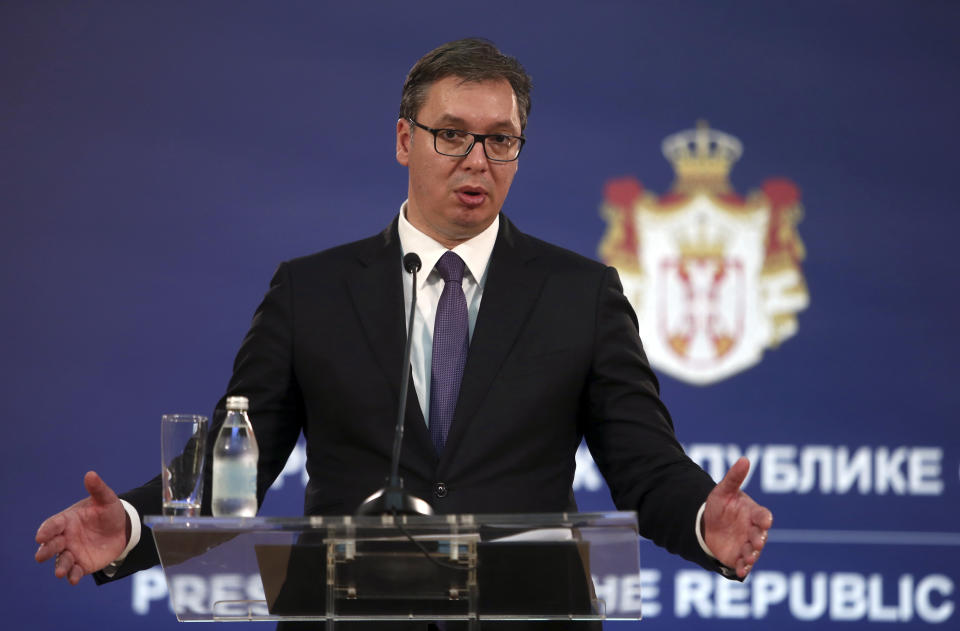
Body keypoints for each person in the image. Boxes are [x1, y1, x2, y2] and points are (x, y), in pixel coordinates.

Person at [36, 37, 772, 621]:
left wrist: (706, 516)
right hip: (352, 614)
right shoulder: (312, 290)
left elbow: (643, 463)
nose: (477, 160)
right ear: (402, 139)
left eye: (501, 139)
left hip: (527, 616)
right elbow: (238, 461)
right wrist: (132, 526)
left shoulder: (581, 293)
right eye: (451, 134)